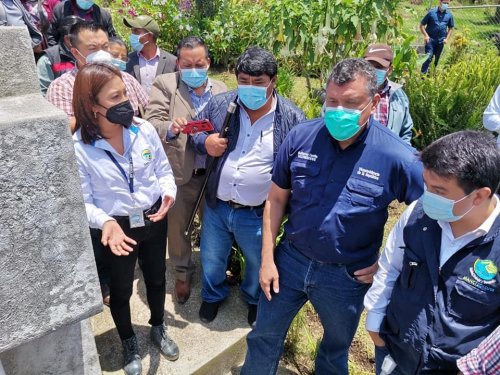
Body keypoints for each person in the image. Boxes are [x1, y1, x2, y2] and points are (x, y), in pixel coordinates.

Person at [241, 58, 424, 375]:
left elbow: (428, 217)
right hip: (290, 262)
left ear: (374, 101)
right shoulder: (301, 138)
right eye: (332, 101)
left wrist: (389, 264)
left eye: (351, 103)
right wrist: (267, 258)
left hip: (347, 277)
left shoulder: (397, 157)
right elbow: (276, 198)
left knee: (334, 351)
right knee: (263, 337)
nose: (339, 111)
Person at [72, 62, 179, 375]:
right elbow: (84, 201)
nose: (126, 103)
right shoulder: (81, 148)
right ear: (93, 107)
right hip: (116, 228)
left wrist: (168, 192)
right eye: (115, 97)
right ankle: (128, 340)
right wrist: (104, 222)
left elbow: (162, 170)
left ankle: (158, 327)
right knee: (120, 290)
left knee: (157, 277)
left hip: (154, 216)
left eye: (125, 94)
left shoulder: (142, 130)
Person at [364, 130, 499, 374]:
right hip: (396, 354)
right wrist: (374, 319)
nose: (427, 197)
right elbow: (391, 265)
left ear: (479, 195)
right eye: (426, 185)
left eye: (439, 191)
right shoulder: (418, 215)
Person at [190, 46, 306, 326]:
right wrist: (205, 142)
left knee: (256, 262)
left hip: (257, 213)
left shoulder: (292, 118)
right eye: (243, 81)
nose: (249, 88)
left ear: (273, 81)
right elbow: (196, 129)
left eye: (258, 82)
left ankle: (253, 299)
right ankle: (212, 295)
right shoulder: (221, 104)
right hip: (218, 205)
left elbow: (299, 167)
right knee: (212, 257)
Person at [146, 36, 227, 304]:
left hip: (213, 174)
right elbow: (151, 122)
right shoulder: (165, 84)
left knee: (213, 229)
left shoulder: (222, 88)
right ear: (178, 62)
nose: (193, 69)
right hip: (180, 172)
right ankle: (182, 273)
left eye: (199, 64)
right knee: (178, 228)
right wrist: (171, 126)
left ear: (208, 63)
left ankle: (213, 273)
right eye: (187, 64)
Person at [46, 21, 148, 132]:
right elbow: (63, 129)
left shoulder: (126, 78)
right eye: (92, 48)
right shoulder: (62, 87)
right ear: (75, 53)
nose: (101, 53)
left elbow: (149, 110)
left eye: (105, 47)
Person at [363, 43, 413, 144]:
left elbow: (405, 132)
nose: (372, 71)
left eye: (378, 67)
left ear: (389, 69)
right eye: (368, 66)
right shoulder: (348, 91)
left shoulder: (399, 96)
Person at [123, 15, 177, 95]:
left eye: (136, 31)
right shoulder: (128, 60)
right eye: (132, 31)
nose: (132, 35)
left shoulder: (172, 61)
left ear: (149, 36)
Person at [36, 15, 81, 96]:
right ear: (67, 39)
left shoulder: (88, 53)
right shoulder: (48, 59)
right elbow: (44, 93)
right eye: (81, 37)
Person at [47, 0, 115, 47]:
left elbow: (111, 39)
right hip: (66, 57)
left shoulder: (103, 15)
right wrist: (57, 57)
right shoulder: (60, 9)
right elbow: (51, 36)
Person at [420, 0, 454, 74]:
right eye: (444, 3)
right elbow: (422, 25)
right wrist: (426, 36)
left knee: (436, 59)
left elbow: (451, 28)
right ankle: (422, 75)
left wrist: (447, 39)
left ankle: (431, 74)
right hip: (430, 40)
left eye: (447, 3)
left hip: (441, 41)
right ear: (440, 2)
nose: (446, 5)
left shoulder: (449, 15)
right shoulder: (431, 13)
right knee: (428, 57)